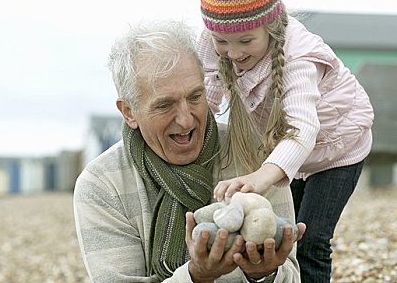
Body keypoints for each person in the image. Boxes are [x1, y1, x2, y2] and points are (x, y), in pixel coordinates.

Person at [73, 19, 306, 282]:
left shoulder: (255, 155)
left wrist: (265, 273)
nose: (185, 120)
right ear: (129, 112)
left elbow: (291, 275)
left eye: (195, 97)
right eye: (165, 105)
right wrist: (196, 277)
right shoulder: (102, 185)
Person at [196, 0, 374, 282]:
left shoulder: (300, 56)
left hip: (338, 149)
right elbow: (206, 98)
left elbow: (303, 127)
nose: (233, 52)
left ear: (271, 26)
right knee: (280, 237)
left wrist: (263, 175)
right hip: (287, 156)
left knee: (311, 240)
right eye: (222, 41)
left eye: (245, 41)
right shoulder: (212, 41)